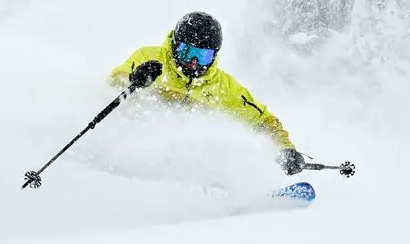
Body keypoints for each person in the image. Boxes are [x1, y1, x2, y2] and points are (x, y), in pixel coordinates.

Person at [108, 11, 307, 175]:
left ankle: (228, 192)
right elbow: (116, 79)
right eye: (188, 53)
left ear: (214, 55)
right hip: (136, 145)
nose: (194, 63)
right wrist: (136, 77)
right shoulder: (151, 57)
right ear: (175, 45)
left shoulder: (223, 86)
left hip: (187, 163)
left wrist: (285, 149)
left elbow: (262, 120)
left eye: (203, 56)